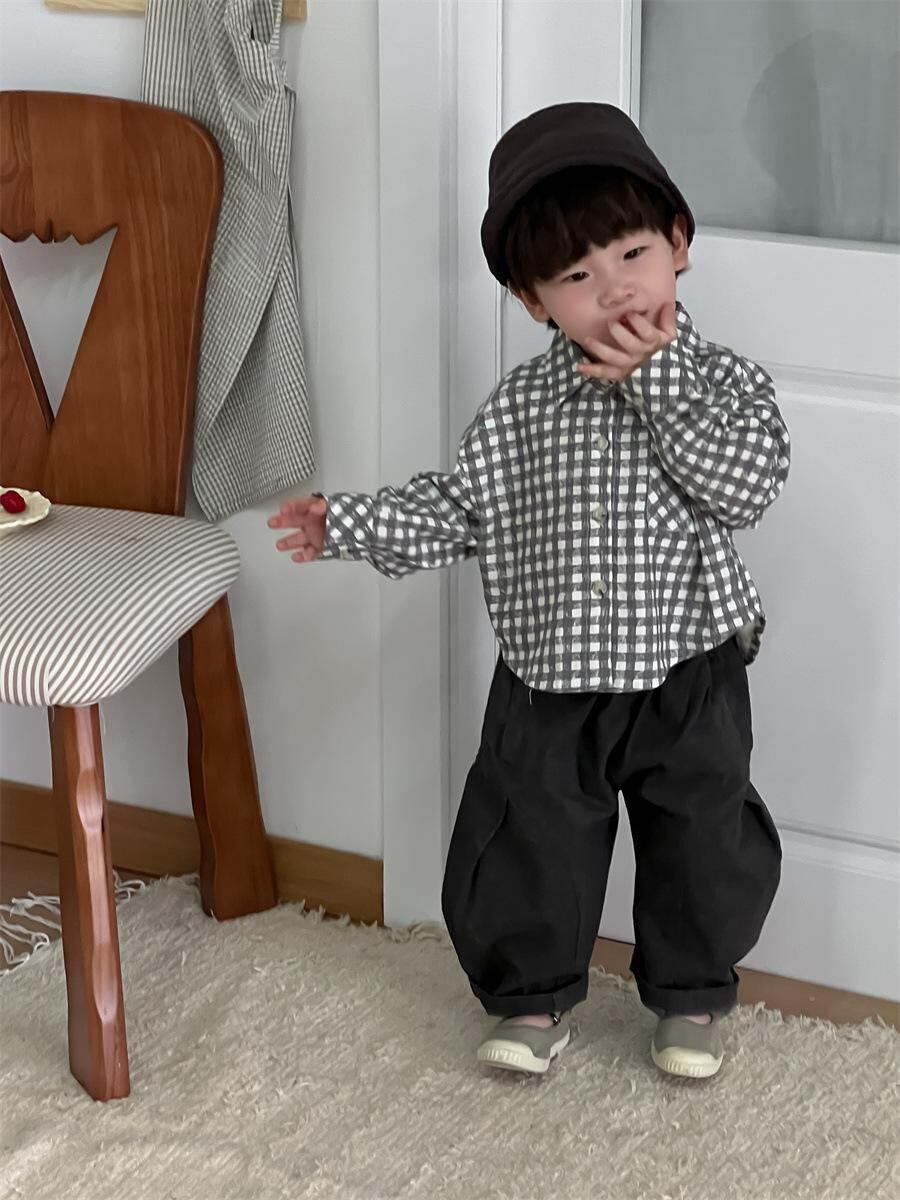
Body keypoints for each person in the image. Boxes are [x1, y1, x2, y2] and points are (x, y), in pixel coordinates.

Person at [269, 103, 791, 1080]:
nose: (614, 288)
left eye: (632, 254)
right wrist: (351, 524)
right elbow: (461, 507)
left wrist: (657, 384)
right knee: (529, 837)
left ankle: (690, 997)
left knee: (702, 839)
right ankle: (531, 997)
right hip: (551, 673)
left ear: (679, 245)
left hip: (690, 669)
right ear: (533, 300)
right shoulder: (522, 408)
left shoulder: (723, 385)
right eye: (576, 277)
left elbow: (745, 486)